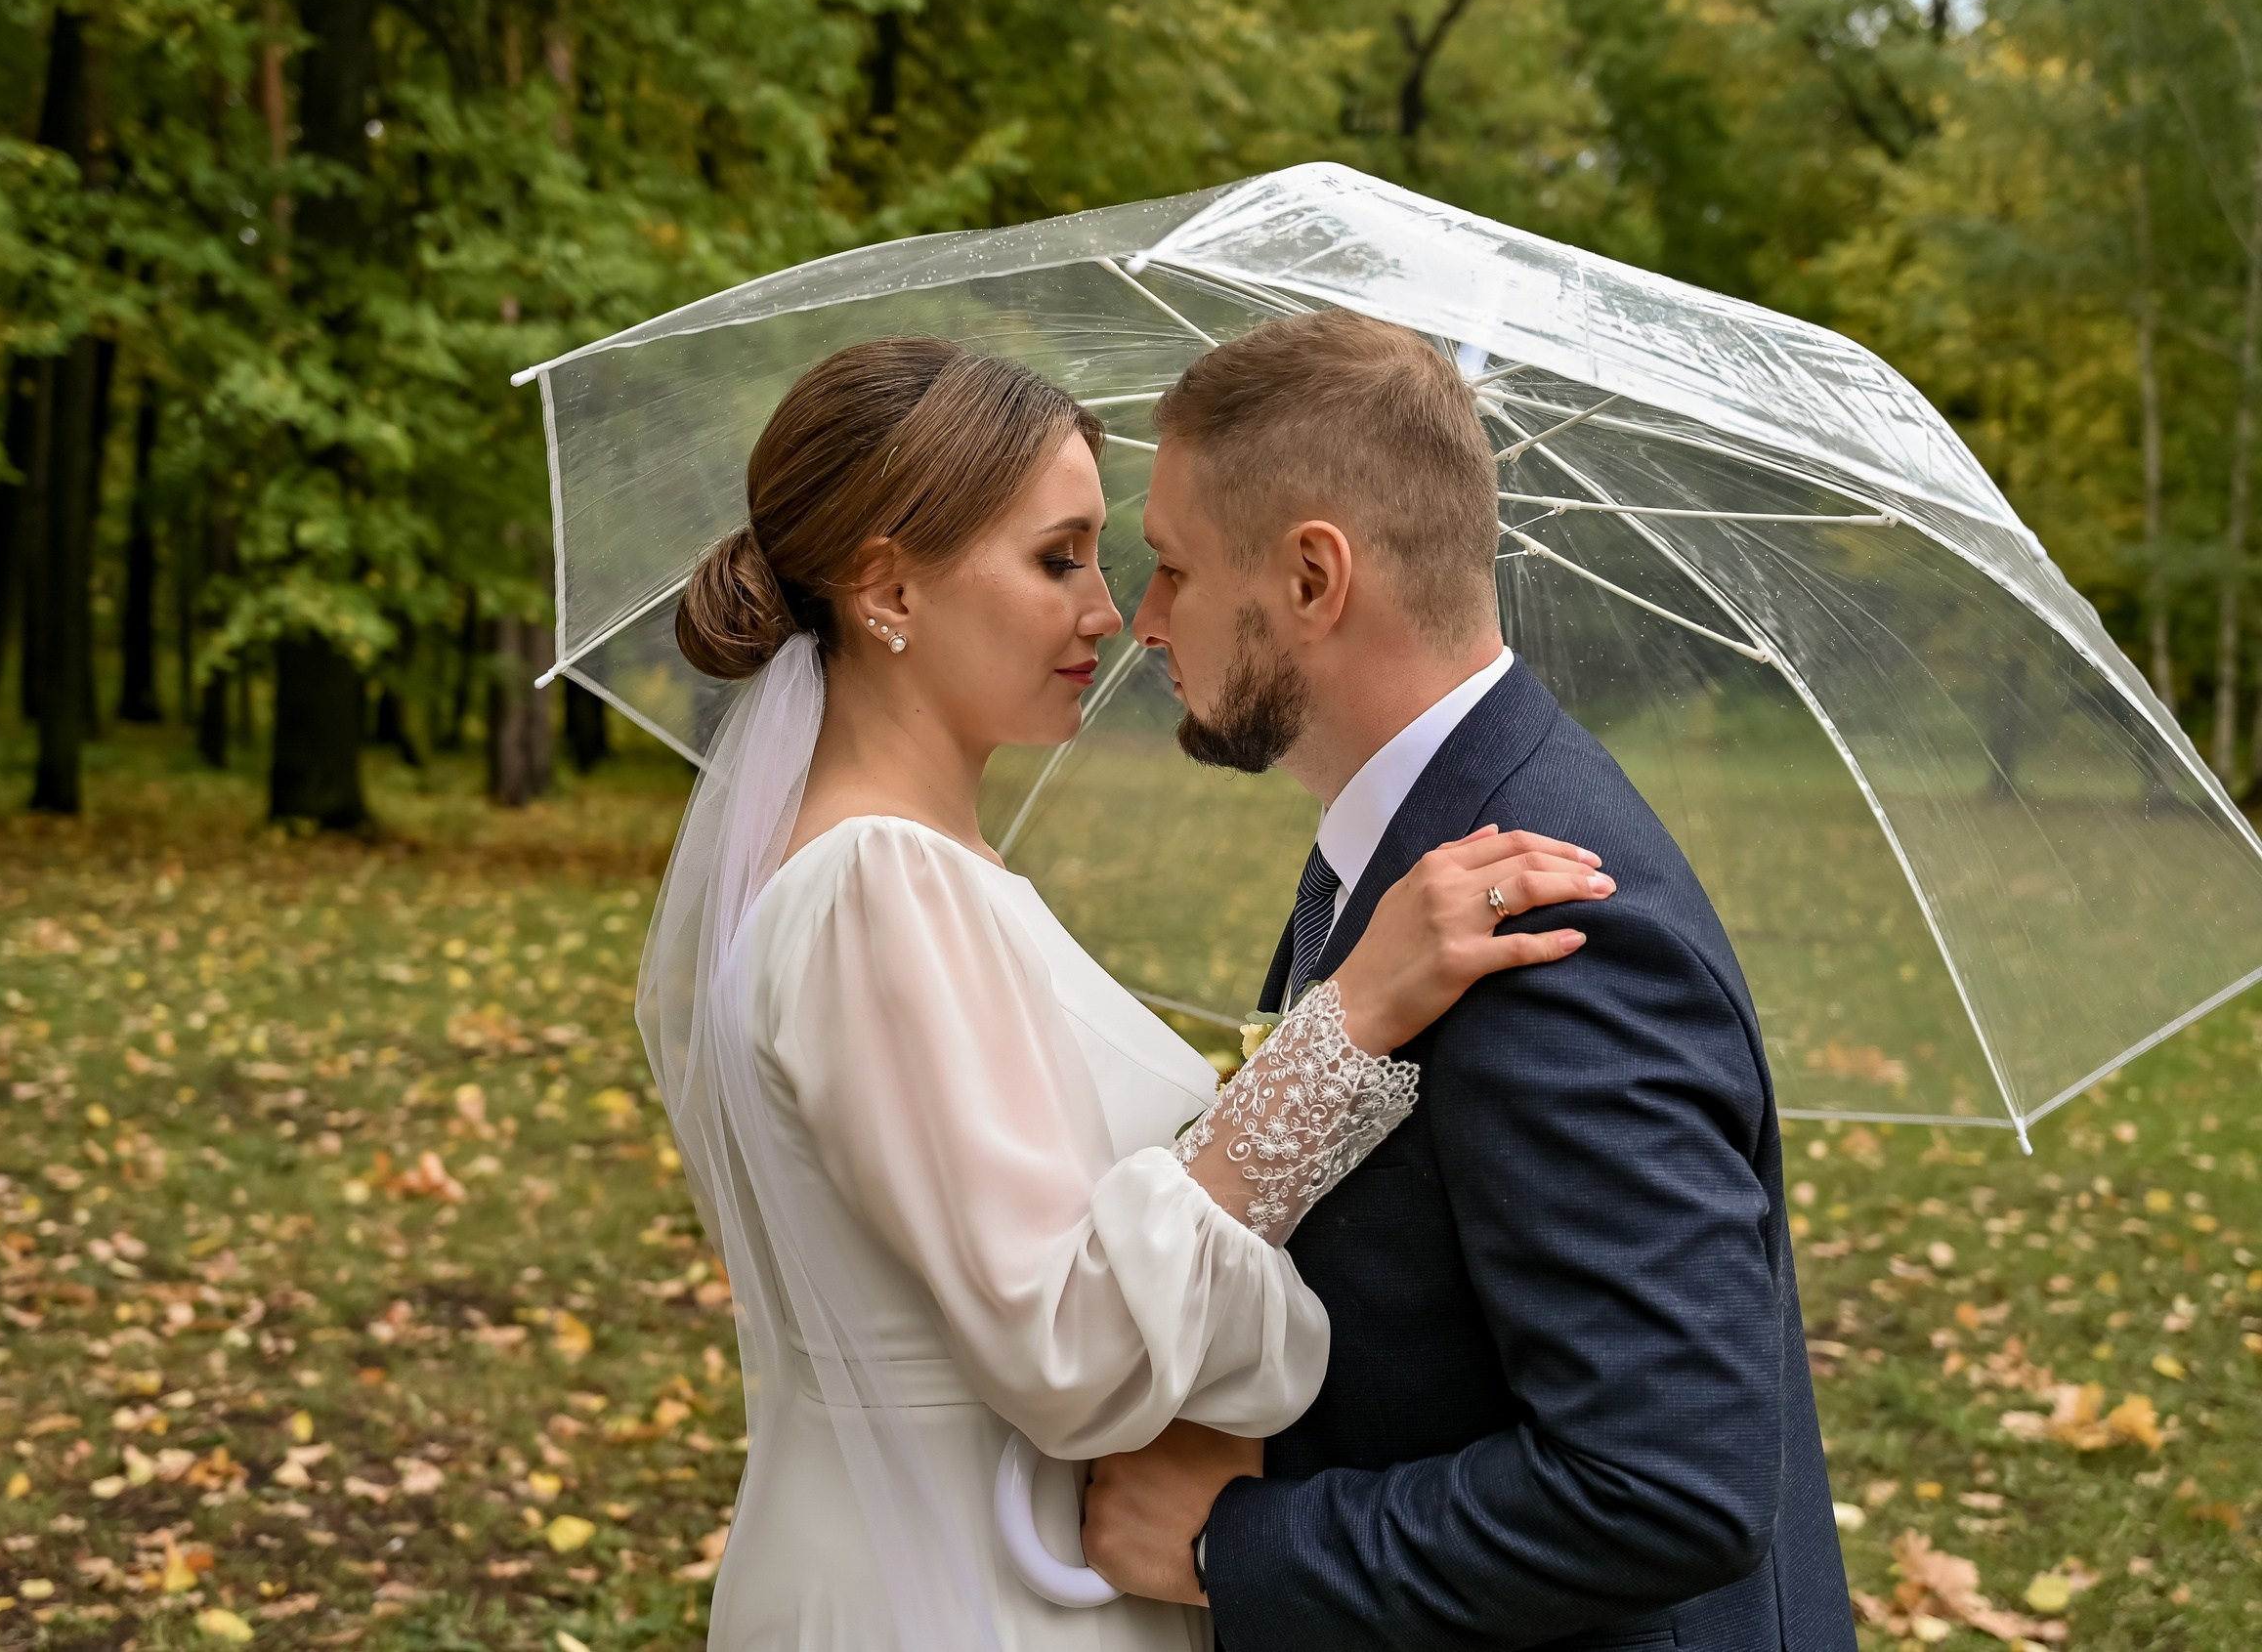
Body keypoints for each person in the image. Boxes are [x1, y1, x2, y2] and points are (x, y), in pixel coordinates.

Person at [641, 335, 1616, 1650]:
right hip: (966, 1594)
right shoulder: (878, 886)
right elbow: (1067, 1345)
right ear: (889, 590)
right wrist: (1349, 1023)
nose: (1111, 613)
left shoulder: (922, 876)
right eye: (1057, 558)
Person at [1078, 310, 1858, 1651]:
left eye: (1170, 567)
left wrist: (1236, 1545)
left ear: (1315, 578)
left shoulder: (1555, 930)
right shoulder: (1414, 845)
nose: (1138, 619)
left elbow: (1667, 1487)